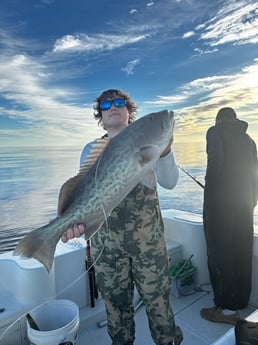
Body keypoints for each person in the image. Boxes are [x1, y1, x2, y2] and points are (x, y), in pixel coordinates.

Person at [61, 89, 183, 345]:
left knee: (159, 304)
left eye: (119, 103)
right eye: (106, 105)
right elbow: (86, 193)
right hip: (107, 248)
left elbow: (170, 182)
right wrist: (71, 223)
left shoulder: (152, 143)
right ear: (101, 116)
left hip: (148, 246)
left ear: (129, 112)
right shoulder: (91, 149)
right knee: (116, 310)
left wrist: (165, 151)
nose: (113, 107)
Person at [201, 107, 258, 325]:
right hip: (246, 205)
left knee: (220, 253)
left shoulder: (215, 132)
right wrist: (251, 202)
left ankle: (226, 310)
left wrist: (210, 194)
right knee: (241, 251)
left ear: (219, 120)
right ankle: (240, 301)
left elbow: (215, 165)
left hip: (221, 205)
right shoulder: (249, 140)